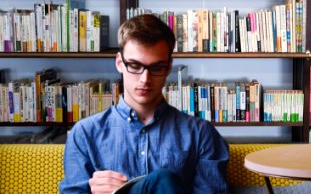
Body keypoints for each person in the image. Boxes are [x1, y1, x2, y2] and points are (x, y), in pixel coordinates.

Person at [59, 14, 229, 194]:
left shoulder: (201, 134)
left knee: (164, 180)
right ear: (119, 63)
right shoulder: (84, 134)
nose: (144, 79)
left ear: (169, 67)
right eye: (134, 65)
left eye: (156, 68)